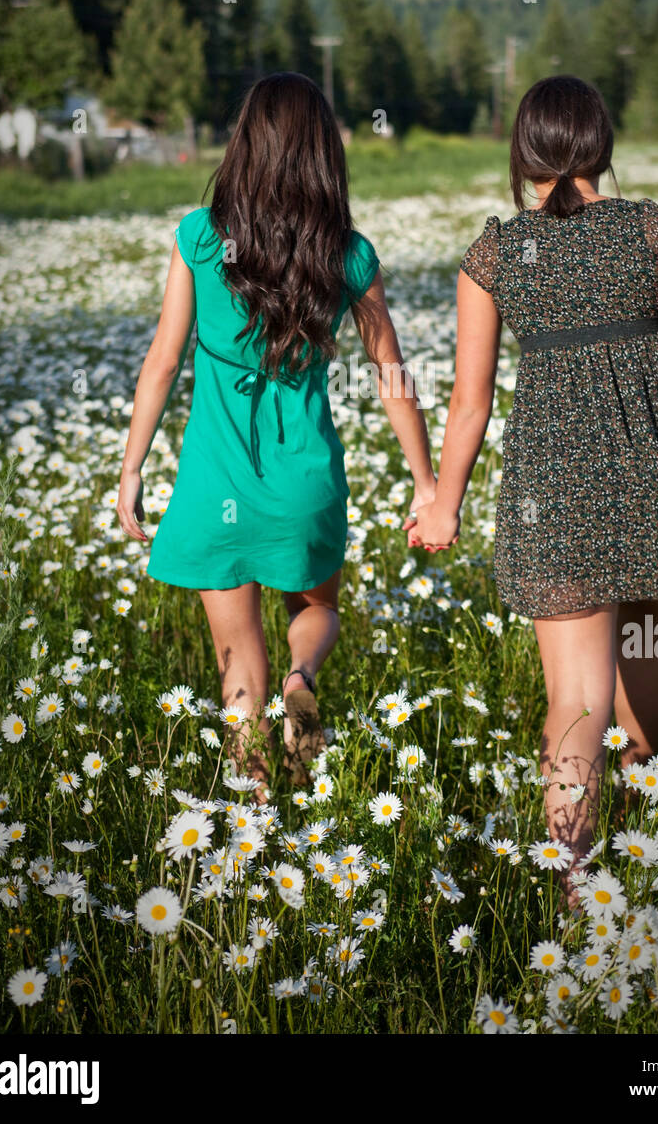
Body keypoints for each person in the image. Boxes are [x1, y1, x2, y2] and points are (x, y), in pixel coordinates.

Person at [407, 74, 658, 908]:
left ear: (523, 154)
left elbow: (469, 402)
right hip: (654, 478)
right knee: (648, 664)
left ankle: (577, 885)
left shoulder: (497, 255)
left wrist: (444, 502)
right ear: (601, 147)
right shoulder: (651, 230)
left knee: (575, 701)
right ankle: (652, 849)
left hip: (554, 493)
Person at [117, 73, 436, 803]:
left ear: (245, 144)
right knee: (314, 610)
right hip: (305, 485)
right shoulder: (348, 253)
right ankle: (304, 679)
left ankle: (257, 806)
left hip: (213, 485)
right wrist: (425, 483)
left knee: (236, 659)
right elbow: (392, 376)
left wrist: (131, 469)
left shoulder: (200, 238)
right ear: (322, 153)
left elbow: (163, 360)